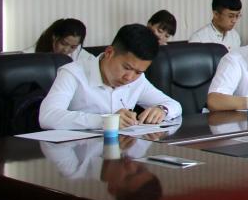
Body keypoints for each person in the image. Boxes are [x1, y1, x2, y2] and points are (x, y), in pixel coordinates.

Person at [39, 24, 182, 130]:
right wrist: (106, 121)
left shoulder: (138, 80)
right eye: (126, 68)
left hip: (121, 153)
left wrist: (162, 110)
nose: (129, 78)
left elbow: (174, 105)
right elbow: (48, 117)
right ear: (109, 53)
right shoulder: (73, 73)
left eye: (138, 72)